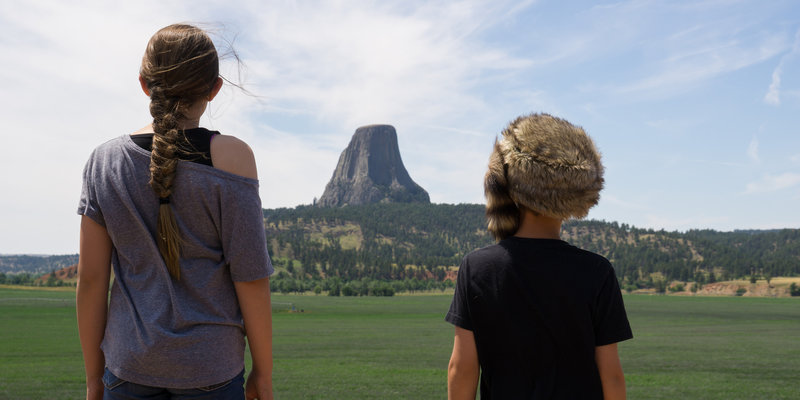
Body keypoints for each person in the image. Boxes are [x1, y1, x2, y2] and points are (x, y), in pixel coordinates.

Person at [76, 24, 274, 400]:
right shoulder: (233, 159)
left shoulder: (104, 162)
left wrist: (93, 378)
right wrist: (263, 373)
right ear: (214, 89)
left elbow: (91, 280)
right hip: (212, 369)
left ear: (145, 85)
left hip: (128, 367)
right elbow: (251, 277)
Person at [446, 113, 633, 399]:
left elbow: (461, 368)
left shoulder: (477, 268)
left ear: (513, 188)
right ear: (577, 197)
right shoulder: (597, 271)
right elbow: (612, 375)